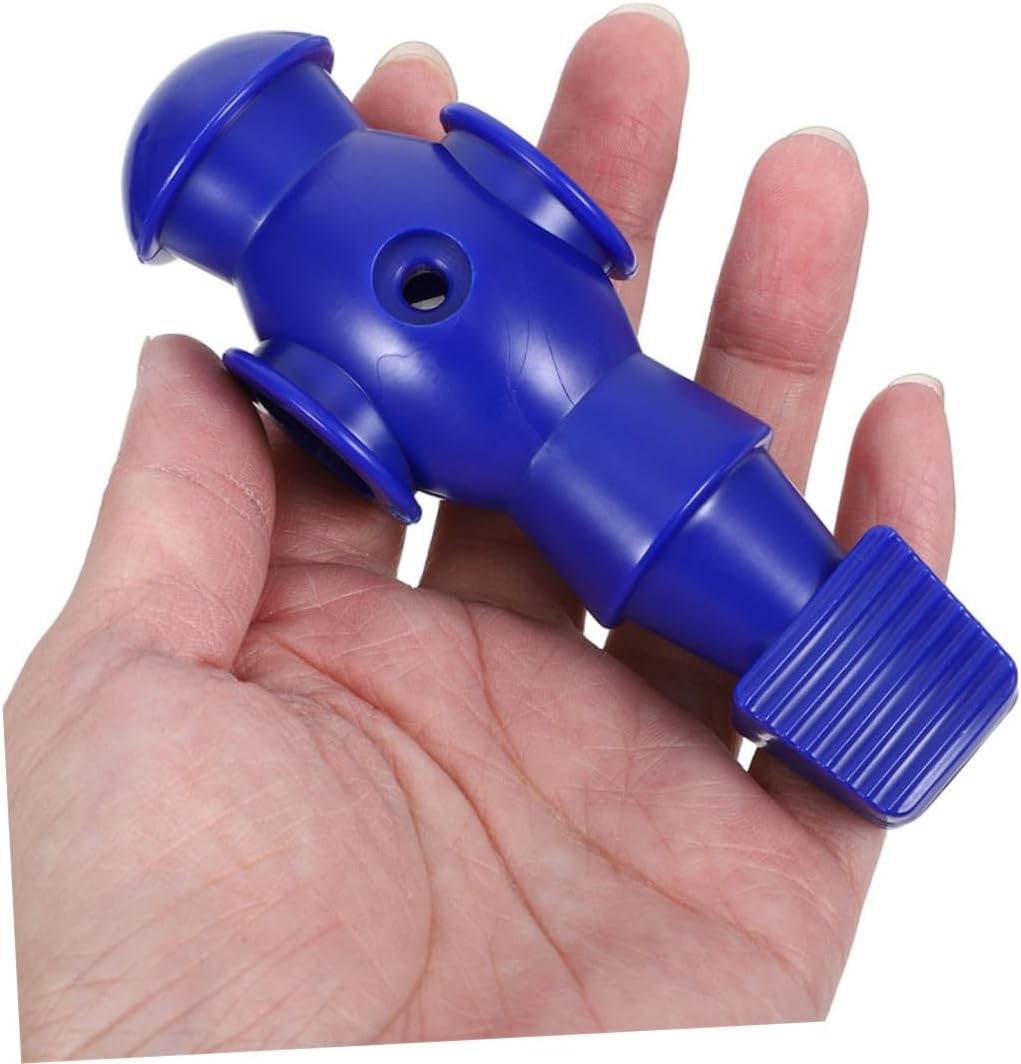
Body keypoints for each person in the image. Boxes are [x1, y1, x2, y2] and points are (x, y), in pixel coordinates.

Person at [4, 5, 954, 1058]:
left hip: (580, 455)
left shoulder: (290, 294)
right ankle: (862, 662)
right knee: (765, 574)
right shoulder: (411, 171)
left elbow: (359, 441)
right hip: (606, 430)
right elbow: (550, 220)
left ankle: (856, 658)